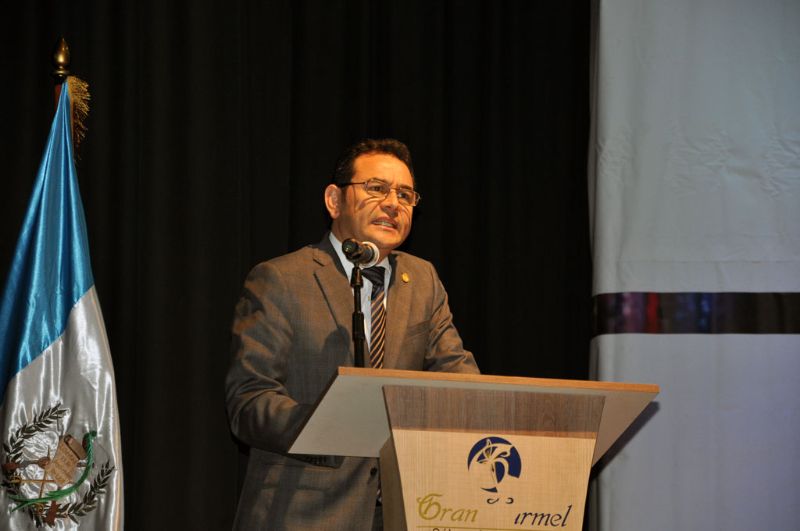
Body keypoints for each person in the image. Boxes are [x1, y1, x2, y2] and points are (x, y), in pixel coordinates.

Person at [225, 138, 479, 530]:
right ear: (334, 200)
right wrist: (333, 426)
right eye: (377, 188)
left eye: (405, 195)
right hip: (303, 513)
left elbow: (460, 381)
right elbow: (249, 402)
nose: (393, 204)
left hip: (403, 512)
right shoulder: (282, 279)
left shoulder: (422, 280)